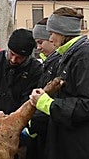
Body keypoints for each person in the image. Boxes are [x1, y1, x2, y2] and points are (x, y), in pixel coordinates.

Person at [29, 7, 89, 159]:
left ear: (63, 33)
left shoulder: (86, 57)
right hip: (81, 146)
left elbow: (88, 105)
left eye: (51, 33)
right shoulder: (72, 56)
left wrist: (47, 103)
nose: (50, 39)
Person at [26, 19, 60, 159]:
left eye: (40, 42)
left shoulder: (58, 64)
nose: (38, 48)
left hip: (51, 136)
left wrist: (32, 125)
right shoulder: (48, 64)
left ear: (52, 39)